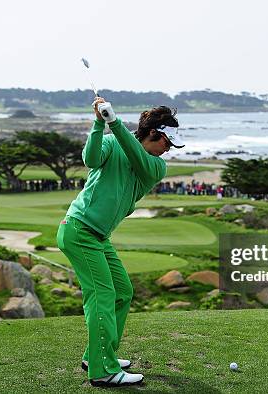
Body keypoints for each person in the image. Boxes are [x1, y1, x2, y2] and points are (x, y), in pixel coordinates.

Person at [57, 98, 185, 387]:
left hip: (99, 236)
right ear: (153, 133)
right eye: (167, 142)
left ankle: (98, 354)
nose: (169, 150)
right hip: (80, 229)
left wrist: (114, 123)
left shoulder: (155, 167)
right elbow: (90, 160)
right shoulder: (112, 142)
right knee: (101, 296)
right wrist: (99, 123)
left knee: (122, 292)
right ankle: (103, 371)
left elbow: (136, 157)